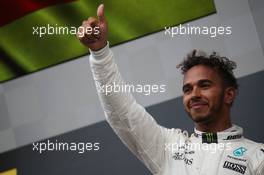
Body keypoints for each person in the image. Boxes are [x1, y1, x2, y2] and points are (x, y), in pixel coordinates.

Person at [77, 4, 264, 175]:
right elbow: (123, 114)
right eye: (187, 89)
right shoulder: (170, 147)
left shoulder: (257, 157)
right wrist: (100, 53)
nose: (194, 95)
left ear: (229, 95)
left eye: (204, 85)